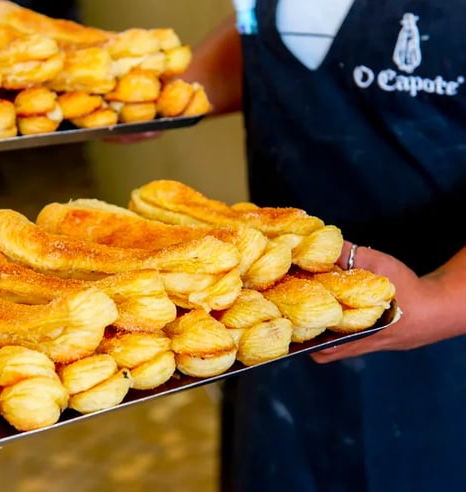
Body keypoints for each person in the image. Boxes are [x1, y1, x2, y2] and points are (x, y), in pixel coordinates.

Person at [134, 1, 466, 491]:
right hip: (274, 321)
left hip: (441, 353)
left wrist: (442, 299)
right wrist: (181, 92)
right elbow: (270, 30)